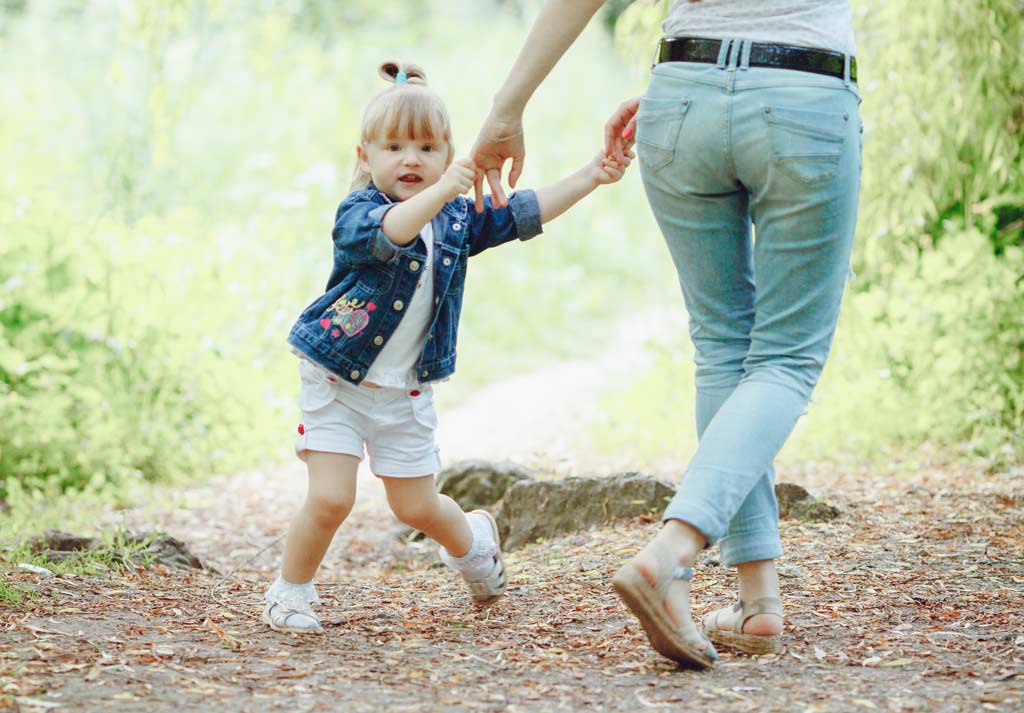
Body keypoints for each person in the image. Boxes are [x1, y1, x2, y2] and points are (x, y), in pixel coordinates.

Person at [472, 0, 861, 669]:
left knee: (722, 346)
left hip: (683, 94)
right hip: (805, 94)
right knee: (785, 358)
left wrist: (508, 105)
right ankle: (672, 553)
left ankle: (758, 603)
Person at [262, 60, 631, 634]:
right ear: (366, 157)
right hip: (336, 379)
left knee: (415, 507)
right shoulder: (360, 213)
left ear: (448, 153)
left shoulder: (456, 216)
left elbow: (520, 214)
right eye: (395, 147)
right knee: (331, 499)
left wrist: (593, 174)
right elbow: (392, 233)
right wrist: (441, 192)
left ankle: (474, 546)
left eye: (428, 147)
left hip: (404, 391)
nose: (411, 159)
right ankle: (291, 592)